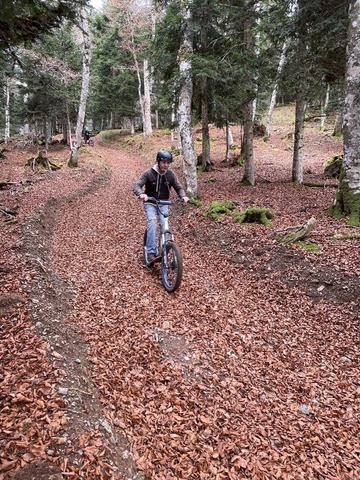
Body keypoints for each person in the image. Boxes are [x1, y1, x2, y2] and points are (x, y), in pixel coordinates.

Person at [133, 149, 189, 262]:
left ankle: (165, 248)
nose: (166, 165)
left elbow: (178, 187)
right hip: (150, 203)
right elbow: (137, 186)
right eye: (164, 162)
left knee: (165, 225)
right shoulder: (148, 173)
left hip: (164, 203)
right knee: (153, 223)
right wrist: (141, 194)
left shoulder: (170, 174)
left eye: (168, 162)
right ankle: (150, 252)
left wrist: (183, 196)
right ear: (158, 161)